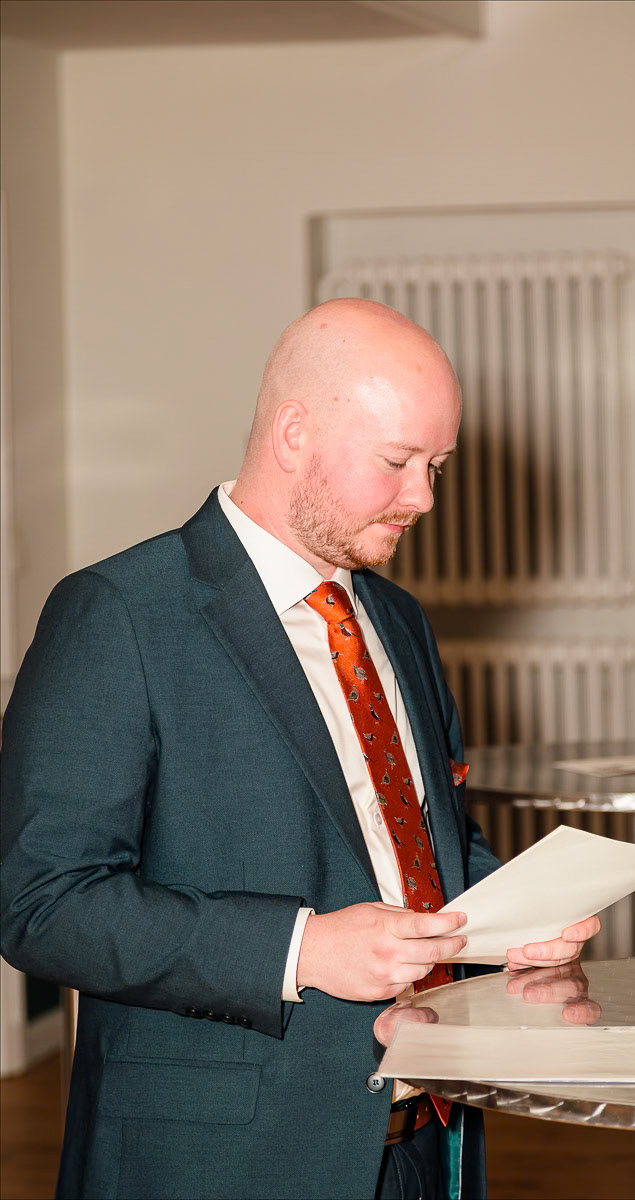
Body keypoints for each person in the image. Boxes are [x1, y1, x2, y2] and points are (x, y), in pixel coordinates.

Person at [0, 299, 599, 1200]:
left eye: (436, 466)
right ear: (293, 434)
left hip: (426, 1143)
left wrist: (511, 927)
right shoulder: (118, 614)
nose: (424, 498)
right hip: (222, 1162)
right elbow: (41, 904)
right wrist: (302, 949)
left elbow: (420, 847)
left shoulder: (398, 618)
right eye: (397, 462)